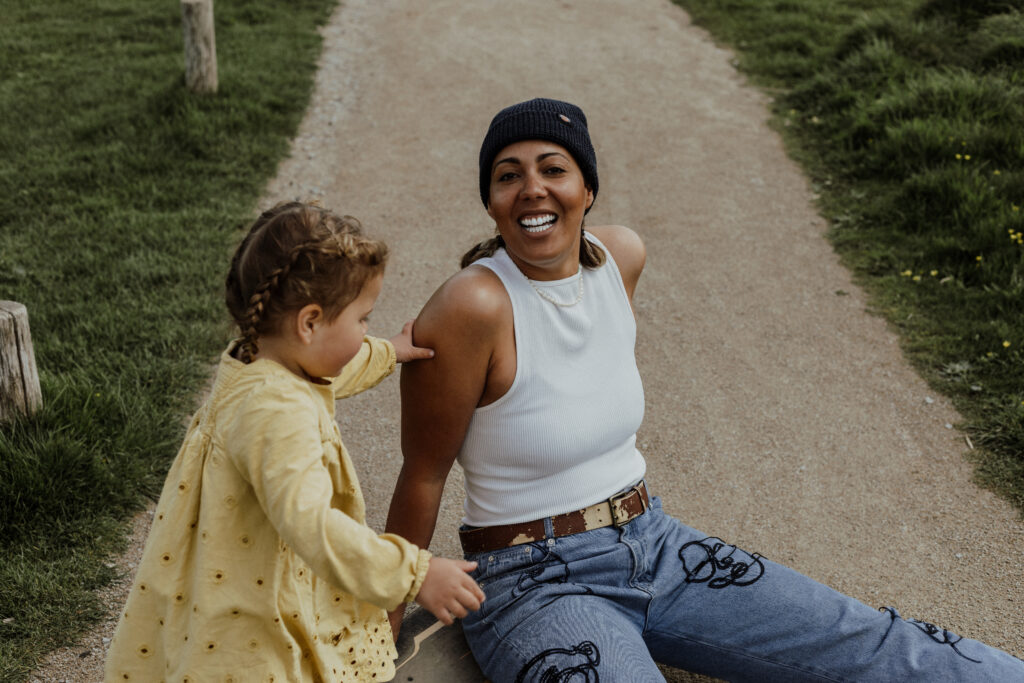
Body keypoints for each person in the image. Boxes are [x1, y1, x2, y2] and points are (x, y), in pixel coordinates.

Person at [384, 98, 1024, 682]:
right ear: (491, 204)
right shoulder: (473, 304)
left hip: (655, 542)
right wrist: (374, 636)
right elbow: (423, 476)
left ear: (587, 189)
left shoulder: (619, 258)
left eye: (553, 168)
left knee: (873, 642)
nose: (532, 190)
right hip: (532, 581)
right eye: (507, 176)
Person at [104, 202, 484, 683]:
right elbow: (311, 524)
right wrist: (415, 574)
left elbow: (332, 371)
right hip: (251, 614)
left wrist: (388, 351)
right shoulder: (276, 411)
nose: (365, 329)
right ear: (309, 322)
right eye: (362, 319)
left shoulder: (258, 359)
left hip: (224, 570)